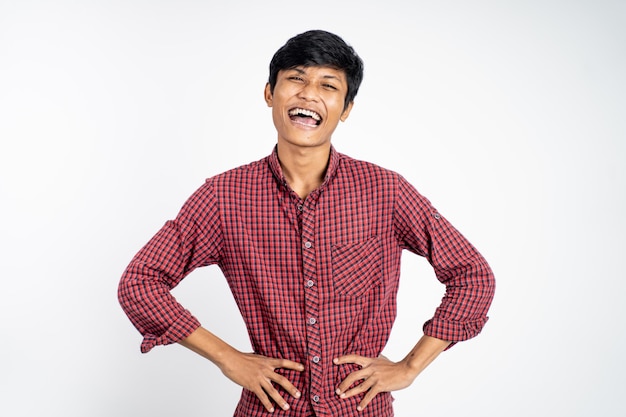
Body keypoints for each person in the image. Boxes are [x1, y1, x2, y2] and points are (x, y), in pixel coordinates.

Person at [118, 29, 495, 417]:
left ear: (346, 108)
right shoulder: (223, 197)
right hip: (271, 408)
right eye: (296, 78)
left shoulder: (385, 191)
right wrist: (228, 358)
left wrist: (410, 367)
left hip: (360, 409)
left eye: (328, 85)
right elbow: (140, 283)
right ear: (269, 93)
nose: (309, 94)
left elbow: (472, 275)